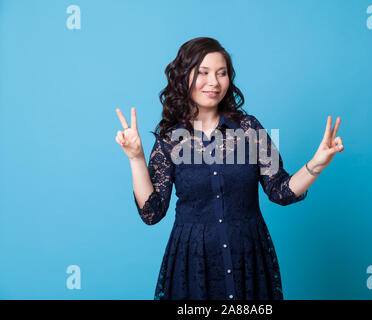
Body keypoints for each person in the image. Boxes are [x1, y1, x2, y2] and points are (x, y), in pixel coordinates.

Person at [114, 37, 344, 300]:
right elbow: (151, 212)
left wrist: (317, 163)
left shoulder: (249, 128)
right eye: (203, 72)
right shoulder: (170, 138)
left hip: (248, 260)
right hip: (193, 266)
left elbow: (281, 190)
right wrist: (136, 158)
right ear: (183, 76)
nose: (214, 82)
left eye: (221, 73)